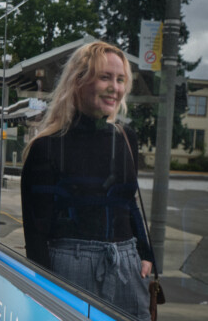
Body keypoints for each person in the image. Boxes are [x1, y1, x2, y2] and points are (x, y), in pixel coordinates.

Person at [20, 41, 154, 320]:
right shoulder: (46, 147)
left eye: (120, 80)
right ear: (78, 81)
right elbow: (35, 235)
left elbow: (128, 204)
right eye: (105, 77)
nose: (115, 88)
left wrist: (147, 254)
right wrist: (46, 293)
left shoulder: (126, 138)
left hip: (128, 266)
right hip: (71, 268)